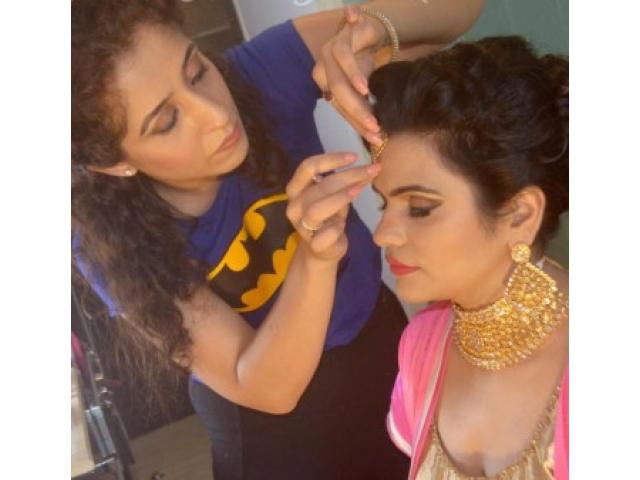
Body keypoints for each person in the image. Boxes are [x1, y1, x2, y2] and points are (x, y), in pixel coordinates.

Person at [71, 0, 484, 478]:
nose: (216, 115)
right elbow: (267, 388)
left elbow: (458, 11)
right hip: (274, 430)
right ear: (116, 162)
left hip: (382, 344)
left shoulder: (259, 74)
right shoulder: (109, 241)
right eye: (167, 122)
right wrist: (315, 259)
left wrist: (371, 28)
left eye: (198, 71)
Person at [367, 36, 569, 479]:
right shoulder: (421, 346)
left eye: (420, 208)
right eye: (384, 204)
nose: (382, 234)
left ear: (520, 215)